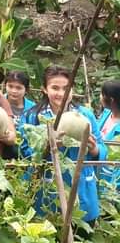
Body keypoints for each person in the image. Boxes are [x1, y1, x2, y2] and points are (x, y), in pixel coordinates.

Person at [20, 65, 105, 223]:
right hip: (46, 191)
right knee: (48, 236)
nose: (61, 93)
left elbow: (101, 148)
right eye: (55, 88)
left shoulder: (85, 115)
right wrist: (47, 148)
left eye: (66, 88)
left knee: (82, 233)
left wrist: (94, 148)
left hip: (81, 188)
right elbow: (25, 152)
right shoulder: (33, 116)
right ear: (44, 89)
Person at [98, 80, 120, 193]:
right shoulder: (106, 114)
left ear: (111, 100)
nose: (100, 97)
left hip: (112, 177)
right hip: (99, 170)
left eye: (102, 94)